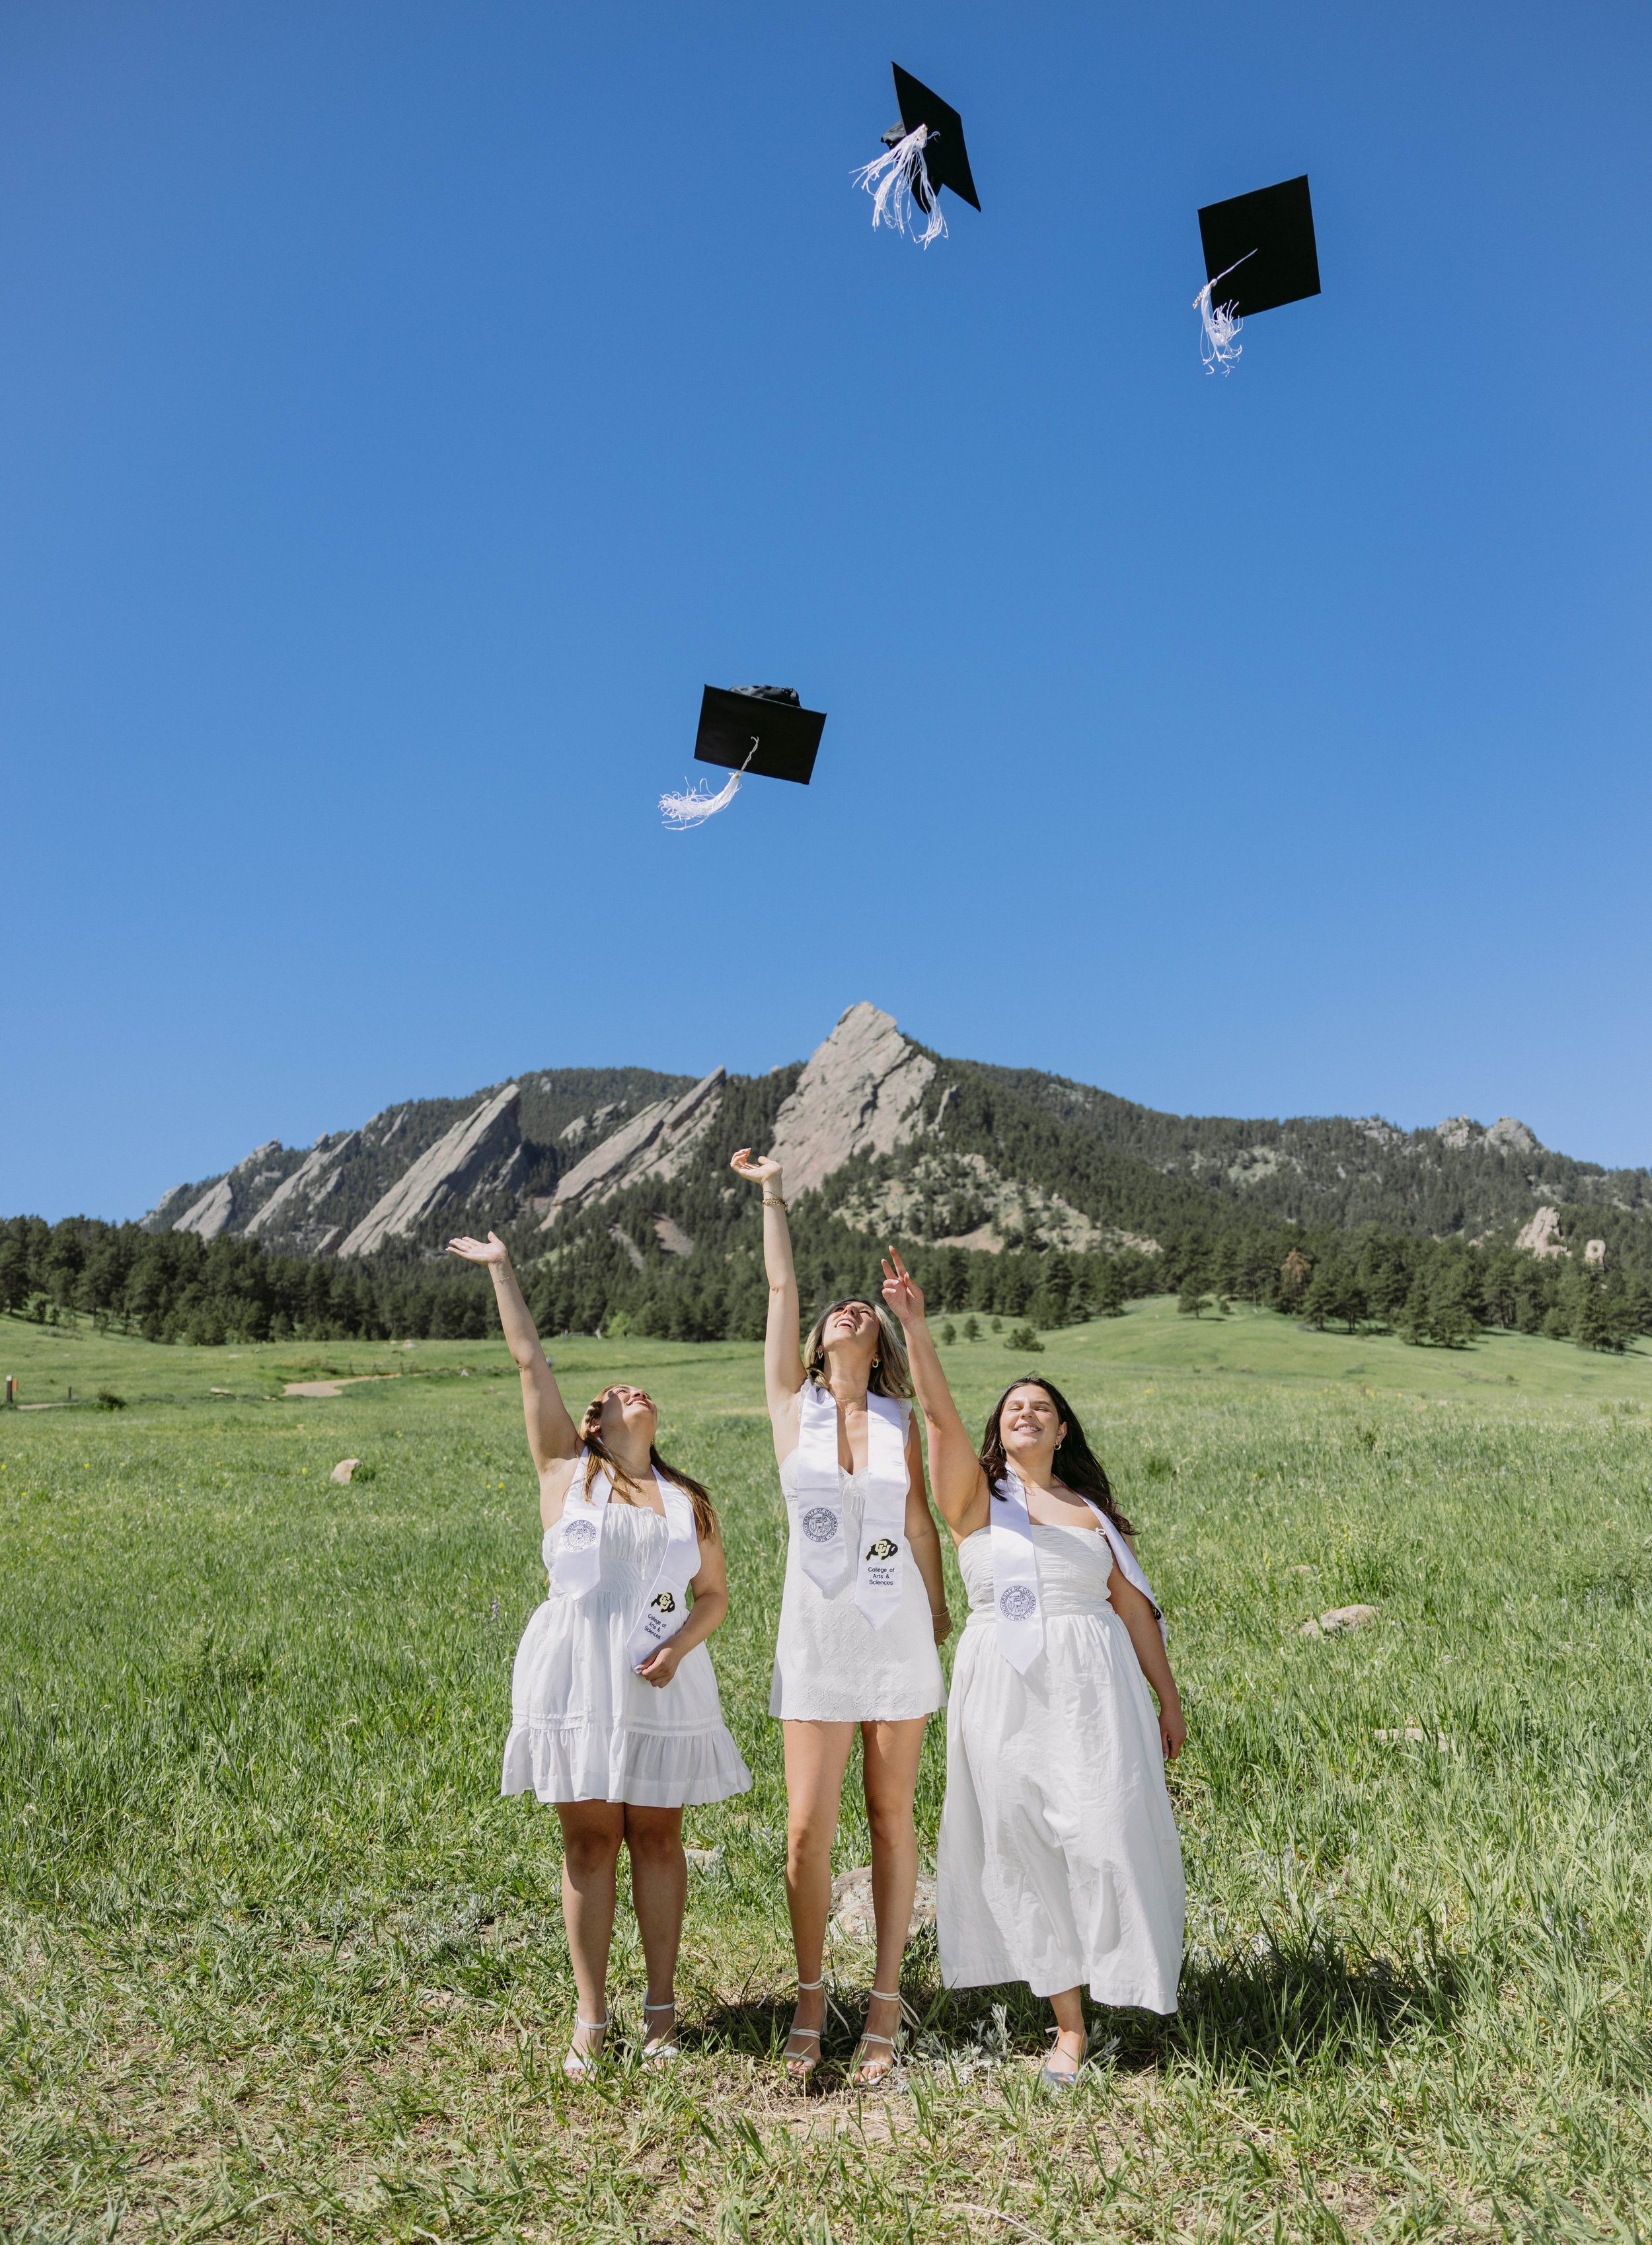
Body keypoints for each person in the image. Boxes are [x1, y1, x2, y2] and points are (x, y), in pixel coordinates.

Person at [879, 1248, 1186, 2088]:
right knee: (1019, 1840)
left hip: (1095, 1688)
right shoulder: (975, 1498)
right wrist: (915, 1324)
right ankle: (1069, 2028)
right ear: (999, 1427)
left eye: (1041, 1406)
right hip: (1003, 1685)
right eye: (1014, 1405)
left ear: (1061, 1430)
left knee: (1101, 1830)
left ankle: (1133, 1978)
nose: (1027, 1412)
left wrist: (1168, 1700)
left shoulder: (1093, 1515)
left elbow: (1135, 1611)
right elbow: (938, 1420)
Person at [447, 1231, 751, 2078]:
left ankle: (661, 2013)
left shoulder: (689, 1498)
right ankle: (589, 2016)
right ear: (593, 1421)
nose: (629, 1390)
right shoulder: (563, 1471)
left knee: (659, 1840)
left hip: (661, 1678)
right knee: (587, 1844)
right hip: (579, 1670)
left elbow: (715, 1597)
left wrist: (681, 1650)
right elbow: (528, 1362)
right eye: (612, 1391)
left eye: (636, 1387)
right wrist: (504, 1269)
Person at [730, 1151, 952, 2085]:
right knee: (806, 1828)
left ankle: (888, 2005)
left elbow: (921, 1523)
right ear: (819, 1347)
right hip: (816, 1637)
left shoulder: (903, 1419)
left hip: (895, 1627)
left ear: (877, 1342)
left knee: (892, 1817)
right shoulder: (793, 1407)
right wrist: (775, 1193)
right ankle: (814, 1995)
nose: (846, 1310)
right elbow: (780, 1282)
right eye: (837, 1313)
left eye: (861, 1310)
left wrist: (938, 1616)